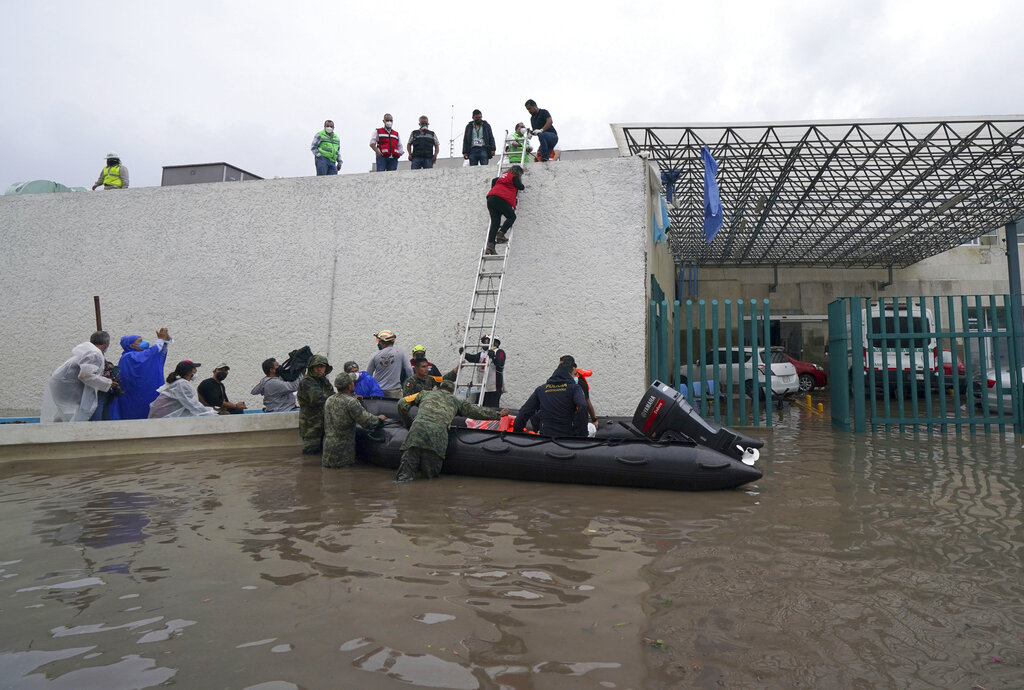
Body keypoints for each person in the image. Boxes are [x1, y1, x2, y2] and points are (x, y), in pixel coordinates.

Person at [395, 380, 508, 482]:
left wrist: (408, 423)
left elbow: (401, 403)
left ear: (438, 388)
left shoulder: (424, 393)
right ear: (452, 391)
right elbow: (475, 411)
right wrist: (498, 415)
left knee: (404, 478)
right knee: (429, 478)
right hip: (437, 437)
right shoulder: (456, 401)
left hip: (416, 432)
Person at [40, 331, 115, 423]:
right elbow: (86, 375)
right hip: (67, 386)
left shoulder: (89, 350)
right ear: (106, 343)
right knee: (75, 413)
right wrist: (108, 383)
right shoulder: (94, 354)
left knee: (68, 413)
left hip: (63, 384)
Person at [322, 372, 387, 469]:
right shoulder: (351, 402)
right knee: (344, 479)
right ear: (350, 386)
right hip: (343, 452)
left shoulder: (329, 400)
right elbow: (367, 421)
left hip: (327, 449)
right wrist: (380, 419)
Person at [513, 355, 588, 437]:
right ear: (573, 370)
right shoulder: (574, 388)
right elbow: (583, 406)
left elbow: (525, 411)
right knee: (592, 428)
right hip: (567, 438)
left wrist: (517, 431)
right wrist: (580, 435)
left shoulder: (541, 389)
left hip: (546, 437)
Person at [109, 329, 172, 420]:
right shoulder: (128, 357)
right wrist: (160, 340)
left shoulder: (138, 354)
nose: (144, 343)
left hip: (146, 393)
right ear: (131, 345)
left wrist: (165, 340)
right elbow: (150, 353)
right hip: (134, 397)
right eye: (140, 341)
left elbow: (157, 354)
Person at [148, 361, 217, 418]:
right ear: (188, 372)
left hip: (162, 419)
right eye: (194, 369)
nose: (196, 371)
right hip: (164, 421)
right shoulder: (182, 384)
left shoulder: (177, 383)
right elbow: (193, 405)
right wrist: (212, 414)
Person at [297, 355, 334, 454]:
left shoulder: (324, 381)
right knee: (310, 454)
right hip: (311, 425)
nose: (319, 369)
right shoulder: (307, 381)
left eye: (322, 367)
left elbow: (332, 395)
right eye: (316, 366)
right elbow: (318, 398)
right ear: (311, 368)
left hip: (324, 424)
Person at [485, 164, 525, 254]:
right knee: (511, 217)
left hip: (491, 199)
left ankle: (490, 246)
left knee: (495, 223)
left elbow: (493, 180)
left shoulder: (501, 178)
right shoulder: (514, 177)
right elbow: (521, 187)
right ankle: (501, 233)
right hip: (501, 199)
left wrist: (495, 190)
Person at [461, 335, 505, 407]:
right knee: (479, 407)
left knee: (491, 409)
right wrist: (464, 354)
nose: (483, 343)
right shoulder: (482, 354)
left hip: (493, 388)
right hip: (482, 387)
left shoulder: (499, 352)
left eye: (486, 341)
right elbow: (473, 358)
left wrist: (493, 357)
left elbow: (500, 364)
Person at [366, 330, 412, 399]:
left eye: (379, 341)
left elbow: (368, 375)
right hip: (395, 391)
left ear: (383, 342)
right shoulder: (401, 353)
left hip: (378, 392)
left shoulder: (375, 355)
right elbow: (409, 370)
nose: (378, 344)